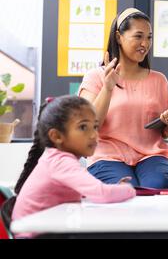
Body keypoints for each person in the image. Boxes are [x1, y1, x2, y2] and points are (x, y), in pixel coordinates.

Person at [79, 8, 168, 189]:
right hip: (107, 157)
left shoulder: (158, 80)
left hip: (152, 157)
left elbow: (167, 134)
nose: (145, 43)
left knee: (157, 184)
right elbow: (88, 126)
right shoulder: (96, 77)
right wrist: (108, 88)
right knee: (125, 188)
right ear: (119, 37)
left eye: (149, 37)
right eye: (138, 36)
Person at [11, 96, 136, 238]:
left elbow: (87, 192)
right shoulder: (60, 162)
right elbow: (102, 193)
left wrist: (113, 189)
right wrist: (129, 189)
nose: (93, 135)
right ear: (57, 136)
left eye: (95, 127)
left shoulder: (57, 159)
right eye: (83, 127)